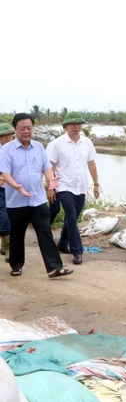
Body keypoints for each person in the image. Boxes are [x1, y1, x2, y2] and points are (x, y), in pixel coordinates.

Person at [0, 113, 74, 278]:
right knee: (17, 235)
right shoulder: (7, 149)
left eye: (29, 128)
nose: (26, 131)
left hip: (38, 200)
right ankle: (16, 265)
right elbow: (5, 173)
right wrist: (17, 186)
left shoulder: (39, 147)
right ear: (15, 130)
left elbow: (46, 168)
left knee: (45, 232)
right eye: (22, 128)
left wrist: (51, 181)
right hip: (16, 201)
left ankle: (54, 267)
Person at [47, 111, 100, 264]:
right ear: (66, 126)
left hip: (81, 186)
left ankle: (63, 244)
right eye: (73, 124)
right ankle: (77, 251)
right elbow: (50, 166)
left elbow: (91, 163)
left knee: (73, 216)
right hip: (64, 185)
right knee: (71, 215)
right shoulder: (57, 144)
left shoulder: (87, 143)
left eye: (79, 124)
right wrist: (51, 187)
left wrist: (96, 184)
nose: (76, 127)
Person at [0, 123, 14, 262]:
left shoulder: (15, 149)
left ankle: (6, 246)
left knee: (12, 218)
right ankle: (8, 247)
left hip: (14, 189)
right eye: (3, 135)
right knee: (4, 218)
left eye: (9, 134)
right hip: (1, 190)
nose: (7, 137)